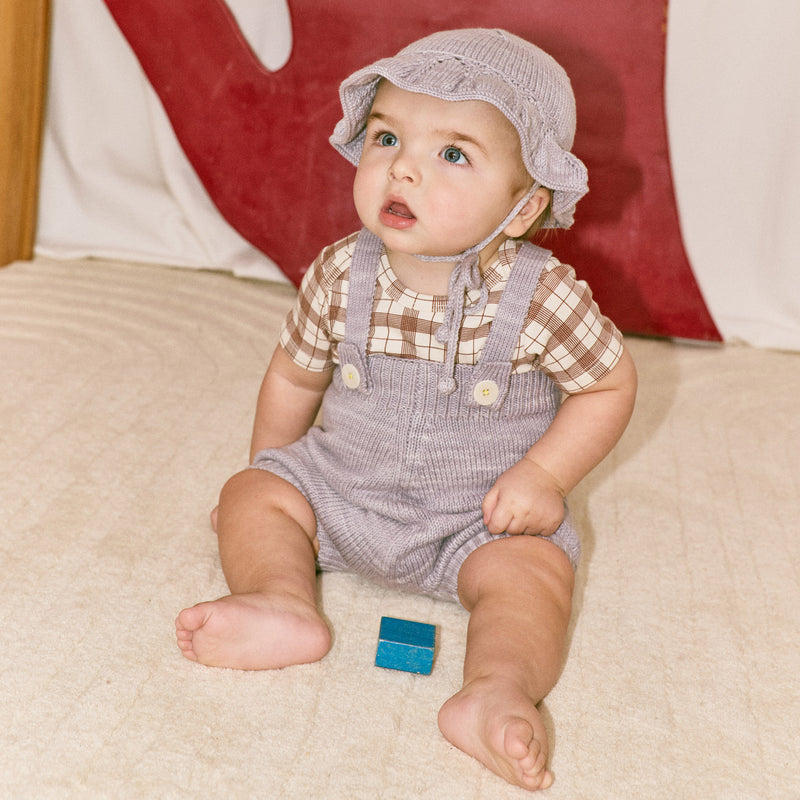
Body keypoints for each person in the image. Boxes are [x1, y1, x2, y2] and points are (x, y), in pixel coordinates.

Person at [175, 28, 637, 791]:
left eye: (452, 153)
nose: (405, 168)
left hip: (479, 519)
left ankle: (495, 687)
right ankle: (280, 600)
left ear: (522, 207)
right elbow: (293, 377)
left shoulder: (543, 297)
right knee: (251, 498)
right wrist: (264, 472)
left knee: (535, 578)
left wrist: (544, 475)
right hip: (342, 488)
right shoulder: (338, 272)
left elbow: (609, 385)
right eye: (388, 137)